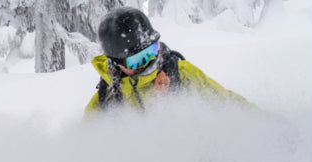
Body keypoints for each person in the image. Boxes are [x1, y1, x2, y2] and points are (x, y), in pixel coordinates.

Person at [85, 8, 249, 113]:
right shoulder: (106, 99)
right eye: (136, 60)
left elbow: (227, 102)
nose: (147, 63)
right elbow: (87, 146)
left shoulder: (180, 74)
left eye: (151, 51)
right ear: (115, 62)